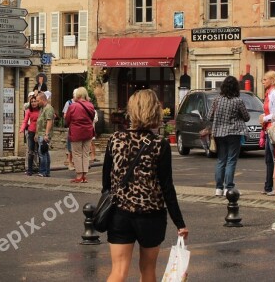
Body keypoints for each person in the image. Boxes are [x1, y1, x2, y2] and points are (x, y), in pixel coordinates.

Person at [103, 89, 188, 282]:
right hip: (151, 215)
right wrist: (180, 223)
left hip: (119, 213)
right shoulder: (160, 144)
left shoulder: (114, 140)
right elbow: (167, 188)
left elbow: (106, 183)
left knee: (118, 271)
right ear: (154, 111)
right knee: (148, 270)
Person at [207, 76, 249, 196]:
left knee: (221, 160)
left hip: (219, 133)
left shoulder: (216, 100)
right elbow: (246, 117)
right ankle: (228, 187)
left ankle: (218, 188)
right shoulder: (238, 101)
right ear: (236, 87)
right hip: (234, 133)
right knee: (231, 160)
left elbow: (209, 117)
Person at [64, 87, 95, 183]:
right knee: (85, 154)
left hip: (76, 133)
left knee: (77, 154)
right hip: (88, 132)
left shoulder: (73, 106)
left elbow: (67, 120)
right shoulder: (90, 106)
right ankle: (85, 175)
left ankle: (79, 175)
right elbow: (92, 117)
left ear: (78, 95)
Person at [34, 91, 54, 177]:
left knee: (42, 153)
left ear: (43, 99)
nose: (37, 103)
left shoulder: (48, 108)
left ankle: (43, 171)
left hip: (44, 134)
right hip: (40, 133)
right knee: (45, 153)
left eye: (38, 101)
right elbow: (39, 122)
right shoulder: (42, 108)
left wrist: (46, 134)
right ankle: (47, 171)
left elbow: (49, 121)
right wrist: (36, 134)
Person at [19, 94, 40, 175]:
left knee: (39, 151)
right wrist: (22, 129)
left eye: (35, 101)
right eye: (32, 102)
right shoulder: (29, 111)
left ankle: (40, 169)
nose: (34, 103)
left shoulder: (41, 110)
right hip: (31, 132)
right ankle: (30, 170)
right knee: (30, 151)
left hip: (39, 132)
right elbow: (25, 121)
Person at [62, 98, 74, 169]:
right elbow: (65, 115)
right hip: (72, 127)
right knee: (70, 146)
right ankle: (70, 162)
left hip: (79, 128)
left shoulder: (82, 103)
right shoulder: (69, 103)